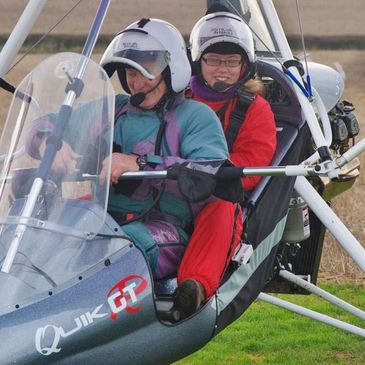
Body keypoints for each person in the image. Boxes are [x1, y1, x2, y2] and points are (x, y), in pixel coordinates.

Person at [97, 18, 230, 280]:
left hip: (164, 228)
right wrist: (50, 142)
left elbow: (213, 173)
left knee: (123, 246)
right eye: (131, 74)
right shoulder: (114, 109)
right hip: (104, 222)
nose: (138, 83)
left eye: (147, 72)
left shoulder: (195, 116)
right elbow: (53, 126)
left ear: (172, 71)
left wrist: (141, 163)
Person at [173, 10, 277, 318]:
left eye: (231, 62)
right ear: (198, 62)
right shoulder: (178, 99)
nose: (223, 70)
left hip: (218, 194)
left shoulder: (255, 109)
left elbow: (252, 164)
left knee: (222, 207)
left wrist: (202, 173)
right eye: (214, 60)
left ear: (244, 67)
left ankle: (194, 287)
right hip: (170, 188)